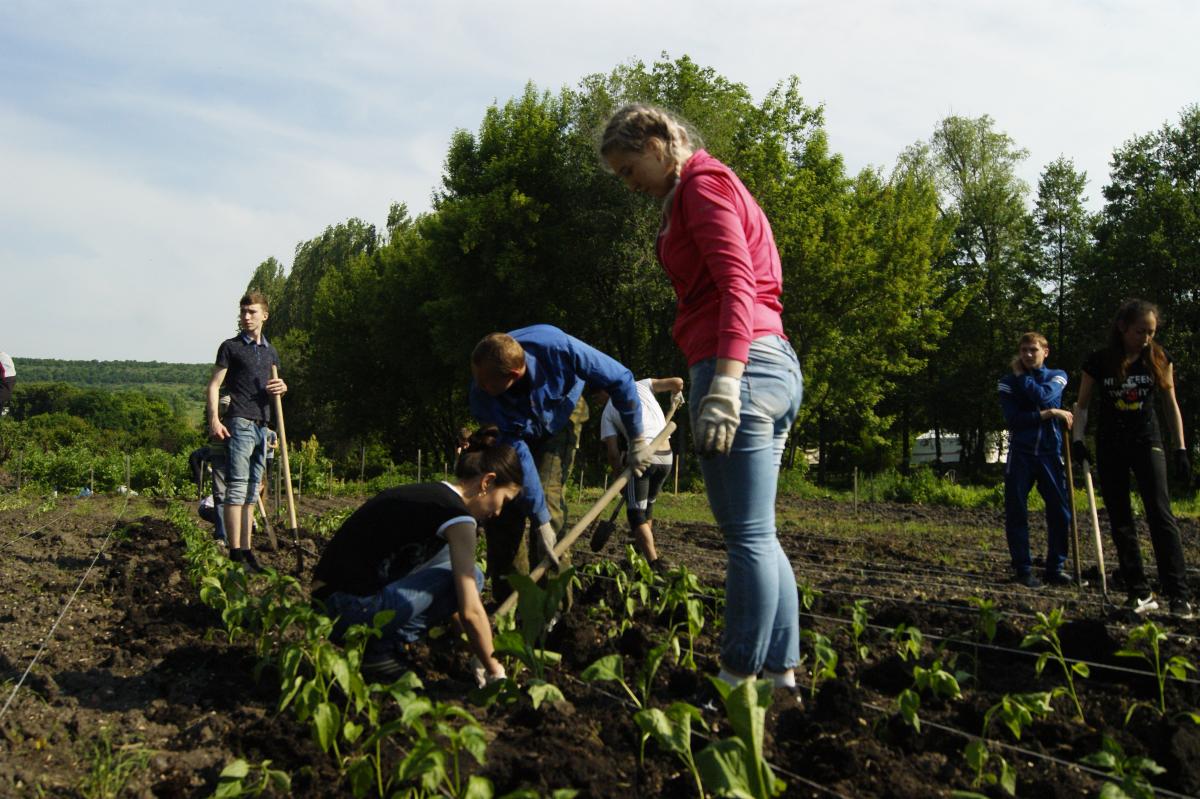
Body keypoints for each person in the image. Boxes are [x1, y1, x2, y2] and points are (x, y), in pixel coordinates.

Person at [601, 104, 804, 693]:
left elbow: (737, 281)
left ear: (660, 143)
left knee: (746, 538)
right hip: (770, 362)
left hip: (739, 362)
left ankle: (736, 677)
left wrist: (725, 383)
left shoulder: (701, 186)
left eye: (627, 167)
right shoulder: (700, 189)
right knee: (760, 534)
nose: (627, 183)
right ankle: (781, 676)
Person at [310, 438, 524, 681]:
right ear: (487, 482)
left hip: (325, 608)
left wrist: (473, 648)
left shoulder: (432, 497)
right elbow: (470, 609)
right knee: (473, 576)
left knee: (452, 570)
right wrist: (495, 670)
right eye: (503, 500)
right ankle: (379, 651)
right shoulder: (459, 519)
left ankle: (377, 647)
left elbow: (453, 602)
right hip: (352, 612)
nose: (498, 512)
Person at [469, 325, 651, 599]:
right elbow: (517, 450)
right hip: (518, 431)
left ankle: (554, 610)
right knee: (505, 504)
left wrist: (637, 439)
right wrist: (537, 518)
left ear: (513, 375)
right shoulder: (483, 396)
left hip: (563, 416)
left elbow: (620, 378)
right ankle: (511, 606)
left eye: (486, 383)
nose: (479, 387)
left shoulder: (558, 347)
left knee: (549, 499)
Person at [1072, 299, 1195, 619]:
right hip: (1111, 446)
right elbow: (1082, 405)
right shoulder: (1099, 362)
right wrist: (1078, 440)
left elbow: (1170, 405)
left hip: (1147, 442)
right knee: (1121, 519)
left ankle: (1178, 595)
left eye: (1152, 332)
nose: (1147, 337)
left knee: (1160, 514)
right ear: (1123, 328)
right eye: (1141, 331)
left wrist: (1180, 448)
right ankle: (1139, 591)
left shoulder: (1159, 357)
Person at [205, 292, 286, 573]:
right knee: (237, 487)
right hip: (239, 421)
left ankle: (247, 552)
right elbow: (214, 385)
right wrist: (215, 420)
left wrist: (282, 388)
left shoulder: (271, 352)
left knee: (253, 492)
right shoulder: (230, 347)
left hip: (264, 425)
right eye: (243, 312)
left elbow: (273, 387)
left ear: (265, 315)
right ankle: (235, 553)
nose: (246, 316)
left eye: (251, 312)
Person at [997, 332, 1075, 588]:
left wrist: (1038, 403)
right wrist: (1051, 412)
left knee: (1060, 512)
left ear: (1045, 352)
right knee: (1016, 510)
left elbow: (1041, 396)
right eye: (1024, 351)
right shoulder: (1007, 382)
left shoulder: (1058, 376)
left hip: (1051, 453)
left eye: (1033, 350)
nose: (1028, 355)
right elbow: (1014, 420)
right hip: (1021, 454)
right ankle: (1023, 569)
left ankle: (1055, 568)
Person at [593, 376, 684, 571]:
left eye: (596, 397)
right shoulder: (641, 385)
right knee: (646, 507)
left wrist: (620, 479)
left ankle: (655, 564)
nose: (598, 401)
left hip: (645, 459)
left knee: (635, 514)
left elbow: (613, 453)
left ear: (603, 391)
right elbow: (677, 381)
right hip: (666, 456)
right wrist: (677, 396)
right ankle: (643, 555)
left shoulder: (609, 409)